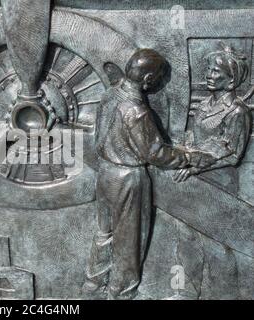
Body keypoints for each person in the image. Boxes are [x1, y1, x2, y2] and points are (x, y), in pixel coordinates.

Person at [83, 49, 216, 299]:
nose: (159, 84)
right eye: (158, 79)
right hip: (128, 179)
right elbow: (155, 154)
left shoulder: (110, 94)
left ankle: (93, 284)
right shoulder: (136, 110)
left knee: (104, 233)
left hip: (106, 174)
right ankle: (122, 293)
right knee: (129, 242)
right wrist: (190, 157)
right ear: (147, 80)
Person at [174, 44, 252, 182]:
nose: (208, 75)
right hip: (193, 165)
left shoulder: (238, 111)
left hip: (221, 180)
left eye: (215, 71)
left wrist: (194, 169)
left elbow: (233, 156)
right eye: (208, 69)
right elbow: (194, 135)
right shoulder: (203, 105)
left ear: (231, 79)